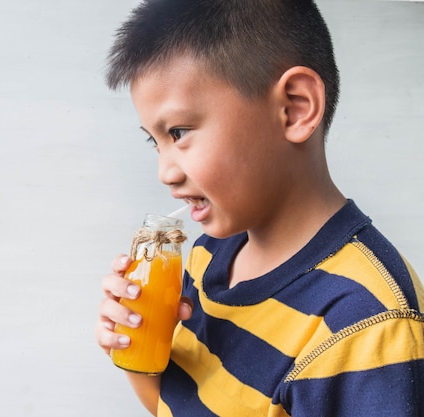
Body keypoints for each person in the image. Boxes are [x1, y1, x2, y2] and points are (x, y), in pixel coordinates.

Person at [94, 0, 424, 416]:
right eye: (154, 141)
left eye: (178, 132)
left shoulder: (365, 325)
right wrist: (136, 349)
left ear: (295, 108)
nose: (165, 172)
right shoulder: (205, 256)